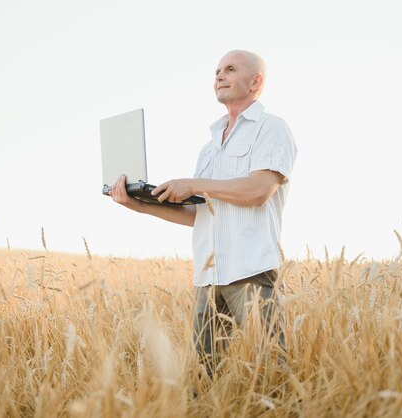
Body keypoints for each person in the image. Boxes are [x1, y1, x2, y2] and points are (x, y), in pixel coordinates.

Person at [109, 49, 297, 375]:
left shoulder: (271, 128)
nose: (219, 76)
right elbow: (199, 215)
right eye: (216, 71)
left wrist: (194, 184)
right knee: (206, 379)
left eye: (230, 69)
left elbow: (258, 191)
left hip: (250, 273)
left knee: (271, 376)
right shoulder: (209, 148)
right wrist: (139, 205)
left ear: (256, 81)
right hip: (208, 283)